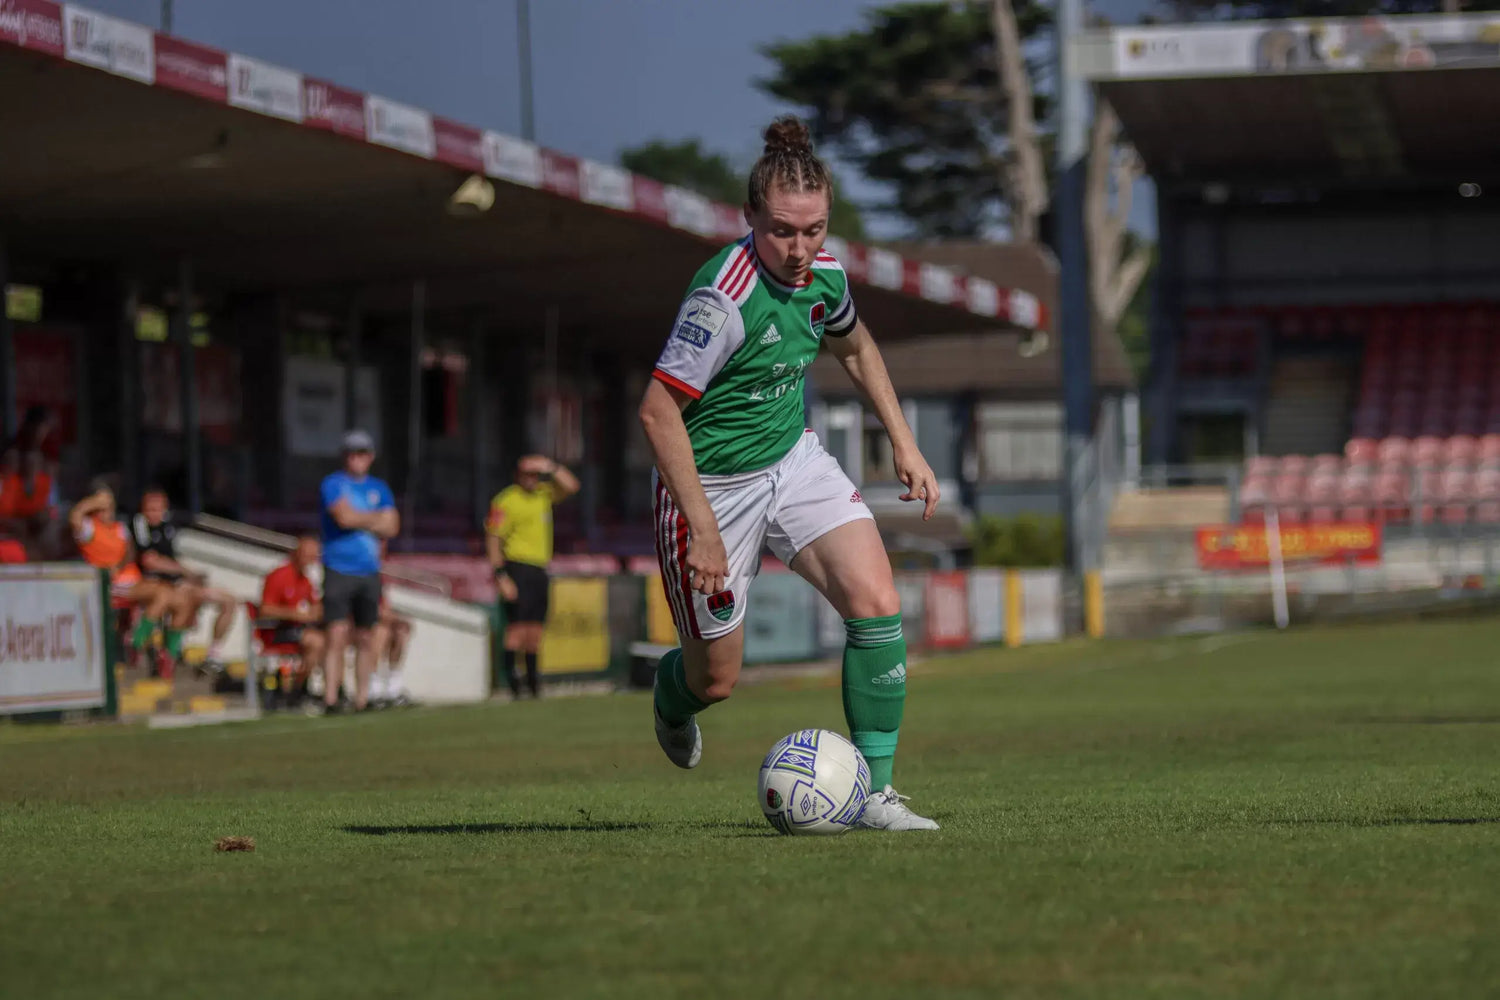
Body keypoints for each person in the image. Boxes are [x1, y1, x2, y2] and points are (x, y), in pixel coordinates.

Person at [637, 117, 941, 831]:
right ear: (749, 218)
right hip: (707, 489)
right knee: (717, 680)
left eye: (814, 230)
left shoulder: (825, 277)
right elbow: (657, 414)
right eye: (782, 231)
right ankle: (671, 696)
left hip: (792, 460)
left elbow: (857, 348)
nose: (801, 248)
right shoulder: (723, 298)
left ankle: (876, 797)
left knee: (876, 601)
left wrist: (905, 441)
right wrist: (704, 532)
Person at [485, 454, 579, 698]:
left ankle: (533, 679)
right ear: (517, 475)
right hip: (517, 567)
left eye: (535, 474)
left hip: (539, 568)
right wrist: (500, 575)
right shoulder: (506, 500)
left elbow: (572, 486)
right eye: (527, 474)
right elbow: (494, 538)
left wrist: (550, 466)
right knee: (516, 628)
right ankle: (512, 680)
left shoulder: (543, 495)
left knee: (535, 629)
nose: (532, 479)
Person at [319, 429, 399, 712]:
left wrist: (360, 518)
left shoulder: (380, 488)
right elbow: (342, 517)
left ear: (371, 456)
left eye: (363, 453)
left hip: (369, 571)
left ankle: (362, 698)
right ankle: (331, 697)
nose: (357, 459)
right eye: (352, 453)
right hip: (339, 568)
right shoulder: (333, 484)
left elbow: (392, 526)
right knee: (337, 634)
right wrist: (376, 518)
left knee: (367, 636)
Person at [130, 486, 236, 673]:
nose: (155, 513)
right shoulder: (140, 524)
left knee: (228, 600)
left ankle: (213, 653)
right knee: (181, 599)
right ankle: (149, 648)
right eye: (150, 509)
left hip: (177, 583)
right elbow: (150, 562)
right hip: (153, 584)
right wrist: (185, 572)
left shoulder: (168, 527)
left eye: (159, 508)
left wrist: (188, 575)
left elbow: (170, 561)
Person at [68, 479, 173, 632]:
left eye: (109, 506)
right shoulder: (89, 527)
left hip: (131, 578)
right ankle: (136, 642)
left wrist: (120, 565)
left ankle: (147, 643)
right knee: (161, 594)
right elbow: (74, 516)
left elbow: (130, 551)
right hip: (112, 584)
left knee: (175, 596)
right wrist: (94, 501)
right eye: (103, 507)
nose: (107, 510)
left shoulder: (119, 527)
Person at [258, 533, 326, 698]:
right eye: (307, 555)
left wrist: (316, 612)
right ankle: (297, 688)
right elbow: (265, 609)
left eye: (313, 557)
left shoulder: (307, 579)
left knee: (333, 640)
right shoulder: (279, 575)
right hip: (276, 631)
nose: (310, 560)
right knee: (317, 642)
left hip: (299, 630)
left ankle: (316, 688)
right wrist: (296, 615)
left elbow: (315, 606)